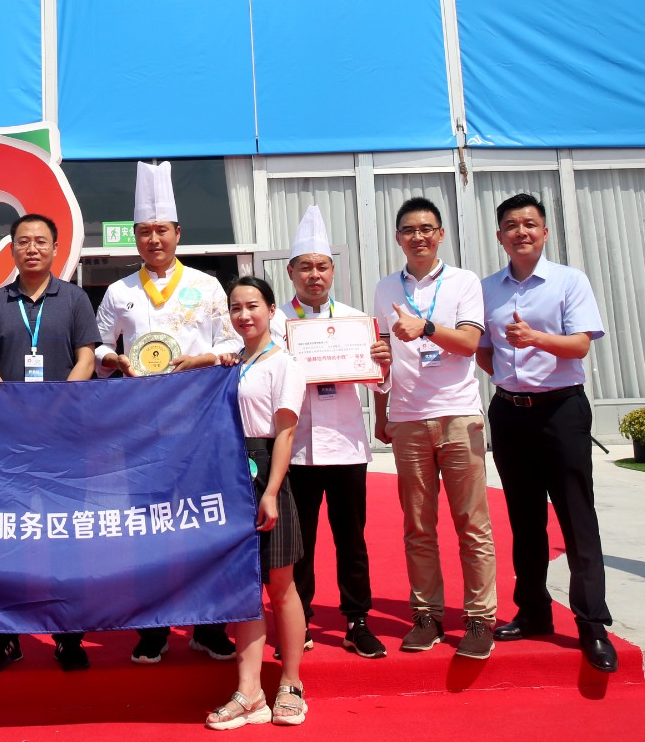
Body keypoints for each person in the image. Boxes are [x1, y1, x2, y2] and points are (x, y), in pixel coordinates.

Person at [94, 161, 242, 665]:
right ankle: (153, 627)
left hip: (201, 423)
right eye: (144, 231)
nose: (153, 239)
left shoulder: (207, 286)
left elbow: (233, 344)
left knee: (204, 521)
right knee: (147, 527)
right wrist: (113, 360)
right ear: (134, 237)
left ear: (178, 233)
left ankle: (209, 625)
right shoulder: (119, 292)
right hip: (141, 427)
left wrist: (205, 358)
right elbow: (97, 345)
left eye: (161, 230)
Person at [477, 192, 615, 673]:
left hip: (562, 411)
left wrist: (535, 339)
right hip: (510, 412)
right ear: (500, 236)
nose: (522, 232)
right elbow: (482, 348)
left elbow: (580, 345)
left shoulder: (569, 281)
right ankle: (533, 610)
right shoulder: (487, 289)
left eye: (530, 224)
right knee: (524, 517)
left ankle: (592, 622)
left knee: (576, 515)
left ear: (544, 231)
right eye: (512, 226)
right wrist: (507, 378)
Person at [0, 212, 100, 673]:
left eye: (40, 241)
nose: (32, 249)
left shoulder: (75, 299)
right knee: (7, 536)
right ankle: (5, 637)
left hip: (64, 438)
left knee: (65, 536)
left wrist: (55, 402)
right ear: (12, 249)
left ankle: (68, 636)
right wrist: (15, 406)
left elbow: (87, 358)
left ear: (55, 248)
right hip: (8, 440)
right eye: (23, 241)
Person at [372, 197, 497, 660]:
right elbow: (381, 354)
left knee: (472, 524)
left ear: (441, 234)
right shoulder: (385, 287)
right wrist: (381, 411)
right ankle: (426, 615)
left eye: (427, 228)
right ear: (398, 238)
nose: (418, 237)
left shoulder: (464, 281)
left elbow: (468, 343)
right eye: (409, 230)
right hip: (407, 418)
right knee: (418, 526)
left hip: (458, 414)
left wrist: (425, 328)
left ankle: (480, 618)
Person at [269, 206, 390, 660]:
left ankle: (358, 620)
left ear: (333, 271)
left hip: (346, 446)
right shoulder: (276, 323)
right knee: (298, 543)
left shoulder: (356, 321)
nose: (314, 275)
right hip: (295, 449)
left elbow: (378, 383)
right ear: (290, 272)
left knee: (351, 540)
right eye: (305, 267)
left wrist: (383, 364)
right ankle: (298, 621)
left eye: (322, 267)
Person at [205, 276, 308, 729]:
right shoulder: (234, 363)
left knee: (280, 584)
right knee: (243, 587)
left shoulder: (284, 363)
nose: (244, 314)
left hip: (267, 469)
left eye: (252, 306)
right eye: (236, 307)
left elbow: (286, 432)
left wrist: (270, 491)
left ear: (271, 310)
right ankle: (249, 693)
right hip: (229, 472)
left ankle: (290, 684)